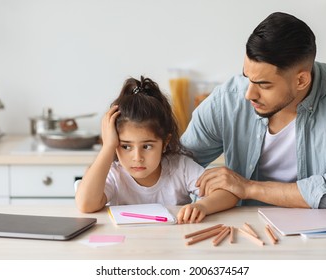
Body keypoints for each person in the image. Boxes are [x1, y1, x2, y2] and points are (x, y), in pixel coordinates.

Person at [181, 12, 326, 210]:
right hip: (242, 229)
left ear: (301, 80)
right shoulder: (228, 99)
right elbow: (175, 165)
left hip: (317, 234)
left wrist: (248, 188)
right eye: (247, 78)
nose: (249, 94)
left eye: (264, 84)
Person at [75, 76, 238, 223]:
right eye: (126, 146)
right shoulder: (114, 174)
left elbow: (228, 193)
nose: (137, 157)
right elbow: (86, 205)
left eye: (146, 146)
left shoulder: (180, 167)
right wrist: (107, 146)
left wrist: (203, 206)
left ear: (165, 142)